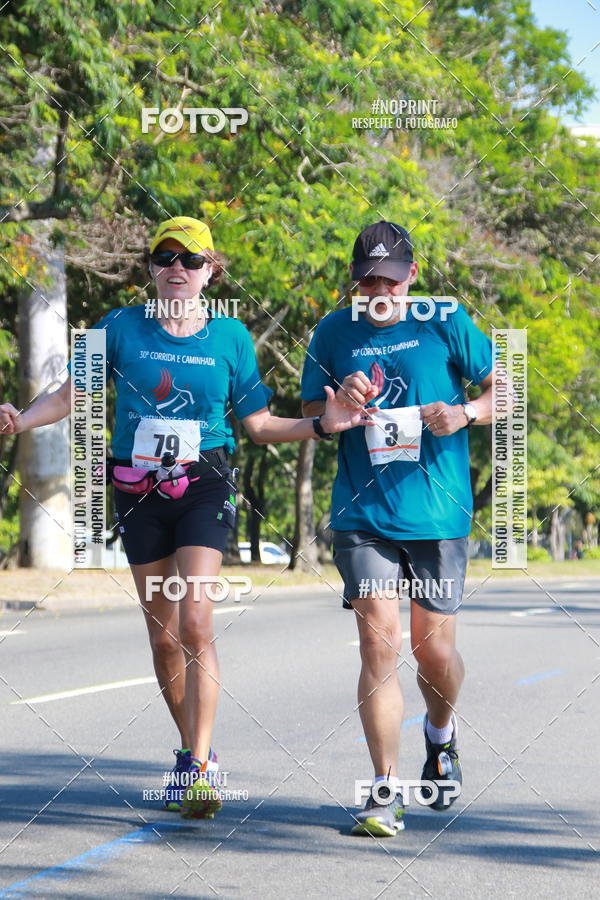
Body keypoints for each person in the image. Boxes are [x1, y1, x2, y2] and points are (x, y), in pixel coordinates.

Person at [0, 216, 374, 820]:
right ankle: (191, 750)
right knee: (163, 636)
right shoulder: (117, 326)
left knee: (196, 622)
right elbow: (72, 395)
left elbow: (258, 426)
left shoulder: (231, 337)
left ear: (210, 271)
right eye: (166, 257)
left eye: (191, 259)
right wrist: (20, 419)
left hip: (204, 483)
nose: (178, 267)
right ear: (151, 268)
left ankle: (200, 768)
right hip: (136, 486)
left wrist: (322, 425)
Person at [301, 220, 495, 837]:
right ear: (354, 281)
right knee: (379, 645)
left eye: (389, 278)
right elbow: (312, 409)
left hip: (437, 515)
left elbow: (507, 391)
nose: (379, 291)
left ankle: (440, 735)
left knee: (432, 652)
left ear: (412, 274)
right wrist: (338, 404)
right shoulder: (333, 331)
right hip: (364, 517)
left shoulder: (447, 320)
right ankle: (384, 791)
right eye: (367, 281)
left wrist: (465, 412)